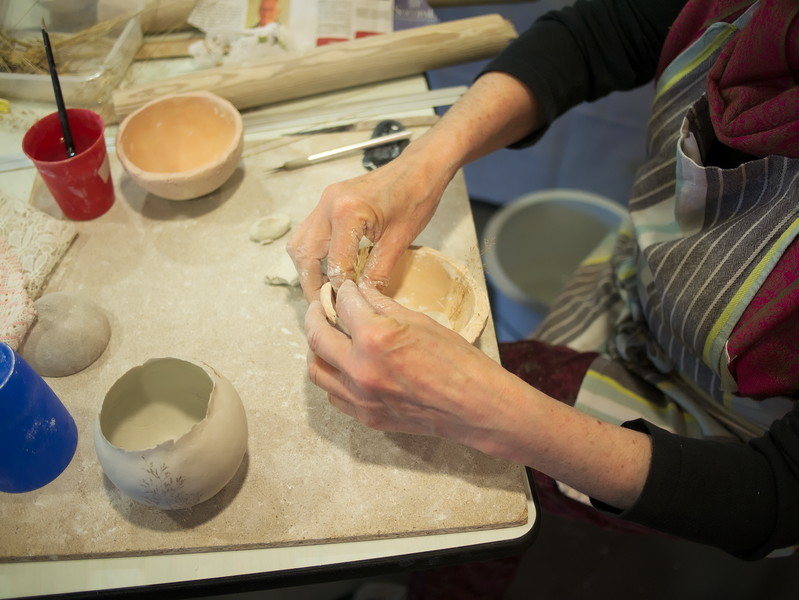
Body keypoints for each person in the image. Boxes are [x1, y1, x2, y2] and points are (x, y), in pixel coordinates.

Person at [287, 0, 799, 561]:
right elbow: (598, 32)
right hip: (640, 283)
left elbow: (778, 496)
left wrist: (496, 415)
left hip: (727, 444)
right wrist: (420, 167)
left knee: (497, 511)